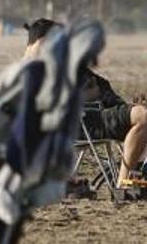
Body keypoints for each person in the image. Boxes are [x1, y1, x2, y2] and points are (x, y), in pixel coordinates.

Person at [24, 18, 147, 191]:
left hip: (97, 115)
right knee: (142, 116)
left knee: (141, 114)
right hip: (86, 121)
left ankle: (134, 175)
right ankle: (123, 183)